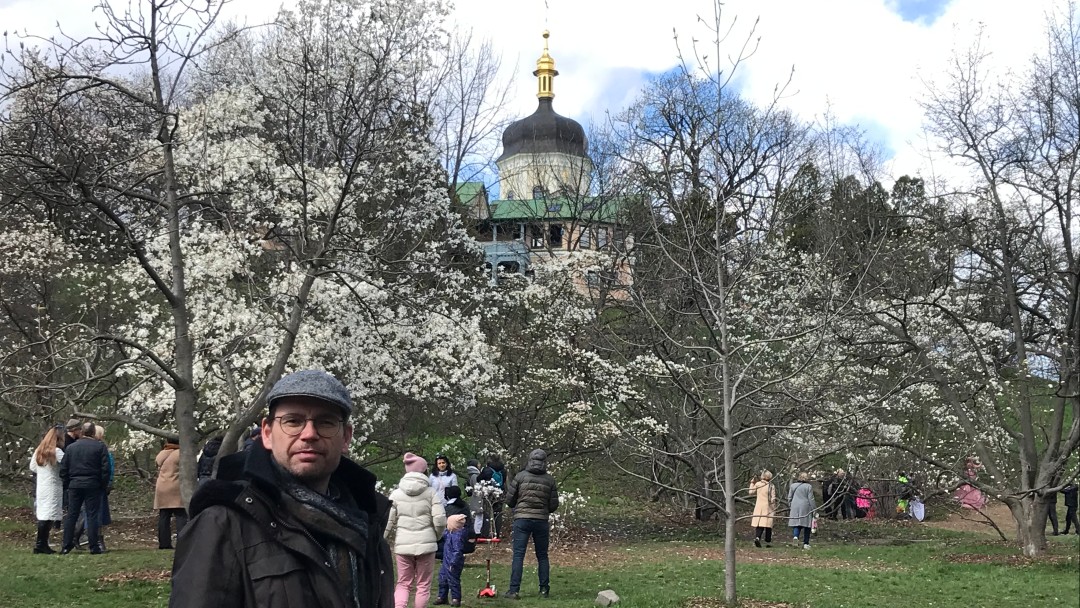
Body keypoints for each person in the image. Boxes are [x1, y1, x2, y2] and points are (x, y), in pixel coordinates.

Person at [170, 369, 395, 608]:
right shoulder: (224, 523)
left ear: (346, 437)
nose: (309, 434)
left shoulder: (365, 523)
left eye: (326, 423)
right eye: (293, 421)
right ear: (267, 434)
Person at [387, 452, 446, 608]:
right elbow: (439, 520)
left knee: (403, 583)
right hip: (426, 545)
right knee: (423, 585)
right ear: (424, 471)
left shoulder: (396, 494)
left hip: (403, 545)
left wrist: (382, 538)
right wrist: (437, 535)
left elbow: (387, 521)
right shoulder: (431, 493)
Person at [503, 448, 559, 600]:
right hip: (541, 520)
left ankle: (514, 590)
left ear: (529, 460)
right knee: (542, 556)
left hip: (522, 519)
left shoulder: (520, 476)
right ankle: (544, 589)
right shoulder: (549, 480)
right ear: (544, 462)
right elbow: (554, 504)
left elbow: (509, 500)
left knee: (518, 555)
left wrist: (518, 506)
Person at [59, 422, 109, 554]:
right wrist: (102, 485)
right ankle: (93, 546)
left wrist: (67, 483)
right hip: (93, 484)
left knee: (72, 515)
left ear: (82, 431)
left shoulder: (71, 448)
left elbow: (64, 468)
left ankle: (66, 545)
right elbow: (105, 468)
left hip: (75, 484)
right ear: (93, 432)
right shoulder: (100, 447)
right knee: (92, 515)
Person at [29, 426, 65, 554]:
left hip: (42, 486)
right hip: (53, 486)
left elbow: (33, 467)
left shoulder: (39, 451)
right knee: (48, 516)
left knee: (44, 514)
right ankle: (41, 544)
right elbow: (67, 465)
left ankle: (41, 543)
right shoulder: (57, 452)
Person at [435, 486, 471, 607]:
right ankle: (442, 596)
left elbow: (457, 550)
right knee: (442, 578)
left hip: (453, 562)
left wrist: (453, 562)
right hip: (446, 560)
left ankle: (456, 598)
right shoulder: (449, 533)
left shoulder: (457, 536)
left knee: (453, 580)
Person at [155, 441, 187, 549]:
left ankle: (164, 543)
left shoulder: (161, 454)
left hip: (162, 486)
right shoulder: (180, 454)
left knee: (164, 516)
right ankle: (183, 542)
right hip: (175, 486)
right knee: (180, 515)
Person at [477, 453, 507, 538]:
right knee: (497, 514)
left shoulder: (487, 469)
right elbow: (504, 481)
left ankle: (486, 533)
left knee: (487, 513)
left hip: (488, 493)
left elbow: (478, 478)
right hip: (500, 494)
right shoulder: (503, 470)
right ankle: (496, 533)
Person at [788, 471, 816, 550]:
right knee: (807, 525)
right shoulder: (808, 487)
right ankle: (806, 543)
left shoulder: (793, 486)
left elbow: (789, 497)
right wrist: (814, 508)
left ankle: (796, 536)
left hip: (795, 505)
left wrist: (790, 505)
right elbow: (811, 498)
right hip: (805, 506)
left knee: (796, 523)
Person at [749, 470, 777, 548]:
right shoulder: (771, 486)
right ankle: (768, 541)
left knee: (759, 523)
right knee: (768, 524)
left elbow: (751, 492)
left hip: (759, 506)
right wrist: (774, 506)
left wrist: (752, 483)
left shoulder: (758, 484)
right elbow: (773, 498)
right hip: (768, 506)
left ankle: (757, 537)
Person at [465, 458, 484, 537]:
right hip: (477, 498)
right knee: (478, 516)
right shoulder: (475, 476)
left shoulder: (471, 475)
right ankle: (477, 532)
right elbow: (478, 487)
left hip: (475, 498)